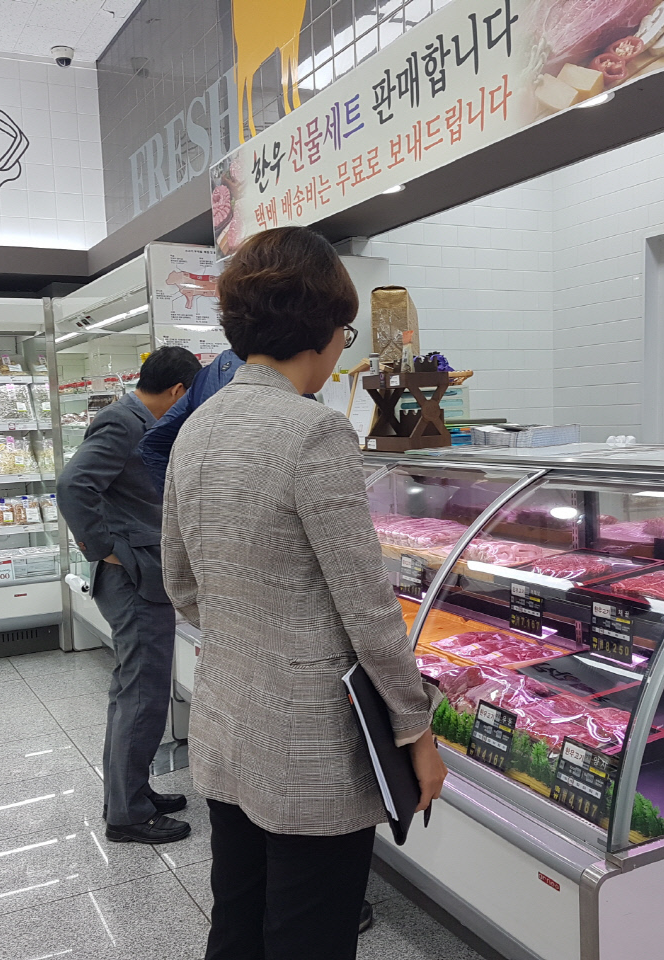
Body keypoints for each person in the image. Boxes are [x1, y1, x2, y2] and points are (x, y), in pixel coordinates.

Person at [161, 226, 447, 960]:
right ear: (321, 328)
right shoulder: (314, 432)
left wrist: (252, 628)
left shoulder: (196, 427)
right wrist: (416, 729)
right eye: (344, 332)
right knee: (309, 935)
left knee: (238, 923)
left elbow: (181, 583)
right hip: (310, 746)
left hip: (227, 722)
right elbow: (368, 607)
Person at [57, 345, 201, 845]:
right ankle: (127, 814)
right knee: (141, 693)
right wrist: (103, 547)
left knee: (139, 691)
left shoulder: (141, 420)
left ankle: (130, 792)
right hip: (134, 577)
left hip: (144, 572)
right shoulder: (123, 422)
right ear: (178, 391)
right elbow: (74, 485)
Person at [138, 347, 243, 496]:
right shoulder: (118, 421)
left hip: (205, 502)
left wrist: (176, 501)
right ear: (177, 390)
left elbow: (154, 444)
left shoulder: (206, 377)